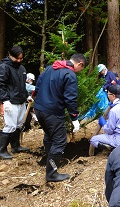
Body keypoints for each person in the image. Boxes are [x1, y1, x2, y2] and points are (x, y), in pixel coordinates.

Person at [34, 53, 87, 182]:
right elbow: (70, 98)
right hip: (53, 112)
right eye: (82, 69)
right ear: (80, 64)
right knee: (59, 141)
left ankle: (48, 160)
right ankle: (52, 173)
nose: (80, 72)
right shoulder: (70, 75)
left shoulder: (50, 68)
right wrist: (74, 118)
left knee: (49, 135)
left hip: (39, 109)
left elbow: (38, 86)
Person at [0, 46, 30, 159]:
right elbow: (1, 85)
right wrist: (5, 100)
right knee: (10, 125)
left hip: (21, 101)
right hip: (10, 102)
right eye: (16, 58)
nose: (19, 60)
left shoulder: (22, 68)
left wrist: (27, 96)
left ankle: (15, 146)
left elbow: (22, 85)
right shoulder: (4, 67)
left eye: (21, 58)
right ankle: (1, 150)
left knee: (18, 125)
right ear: (10, 55)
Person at [90, 84, 120, 150]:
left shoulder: (114, 110)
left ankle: (114, 148)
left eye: (108, 94)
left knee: (93, 140)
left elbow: (109, 131)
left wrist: (104, 123)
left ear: (113, 96)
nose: (107, 96)